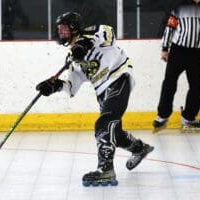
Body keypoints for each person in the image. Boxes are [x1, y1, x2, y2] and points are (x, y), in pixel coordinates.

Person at [35, 12, 154, 186]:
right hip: (102, 91)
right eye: (58, 29)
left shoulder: (94, 33)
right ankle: (140, 148)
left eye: (63, 28)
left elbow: (110, 33)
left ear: (74, 27)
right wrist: (56, 86)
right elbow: (71, 88)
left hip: (118, 77)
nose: (60, 31)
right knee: (115, 133)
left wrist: (85, 43)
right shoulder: (72, 58)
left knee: (104, 124)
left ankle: (105, 169)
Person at [153, 0, 200, 132]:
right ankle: (162, 116)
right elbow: (170, 27)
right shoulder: (179, 6)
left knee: (197, 86)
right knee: (169, 83)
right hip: (178, 51)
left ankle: (189, 117)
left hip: (196, 53)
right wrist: (165, 48)